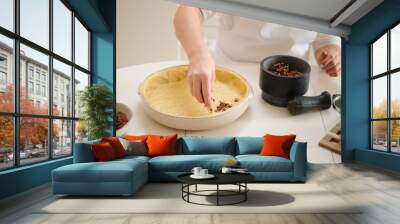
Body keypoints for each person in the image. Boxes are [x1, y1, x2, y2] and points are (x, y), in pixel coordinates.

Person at [174, 5, 341, 108]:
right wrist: (198, 55)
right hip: (228, 69)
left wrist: (330, 51)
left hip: (292, 85)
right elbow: (189, 10)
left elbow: (325, 36)